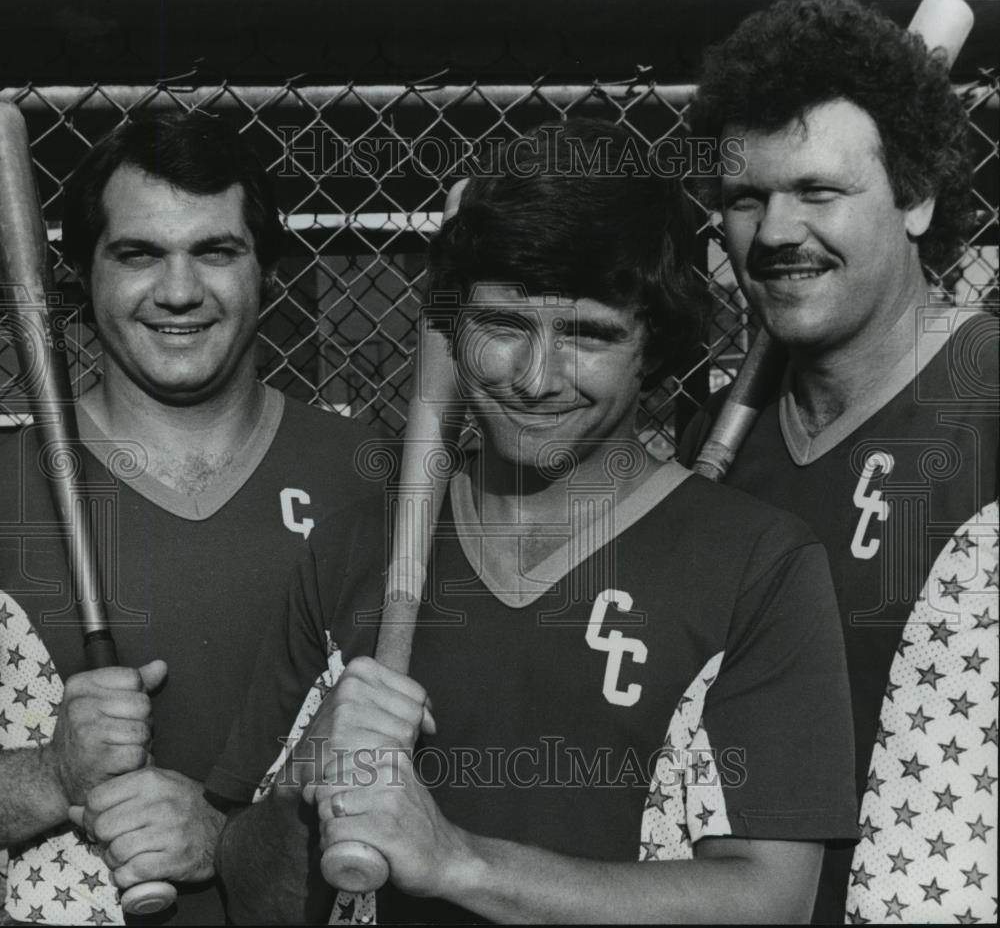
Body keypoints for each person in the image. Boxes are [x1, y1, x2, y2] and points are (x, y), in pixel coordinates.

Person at [208, 118, 859, 924]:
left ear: (652, 348)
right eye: (505, 326)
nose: (536, 377)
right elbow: (250, 892)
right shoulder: (353, 549)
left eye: (587, 335)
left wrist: (461, 864)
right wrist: (308, 782)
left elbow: (770, 903)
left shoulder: (757, 563)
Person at [0, 112, 381, 925]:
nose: (178, 291)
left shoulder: (371, 478)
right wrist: (48, 774)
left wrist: (232, 835)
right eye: (139, 254)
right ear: (82, 275)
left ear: (267, 270)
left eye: (215, 251)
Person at [680, 0, 998, 924]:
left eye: (819, 192)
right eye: (747, 198)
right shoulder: (715, 442)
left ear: (917, 199)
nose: (776, 234)